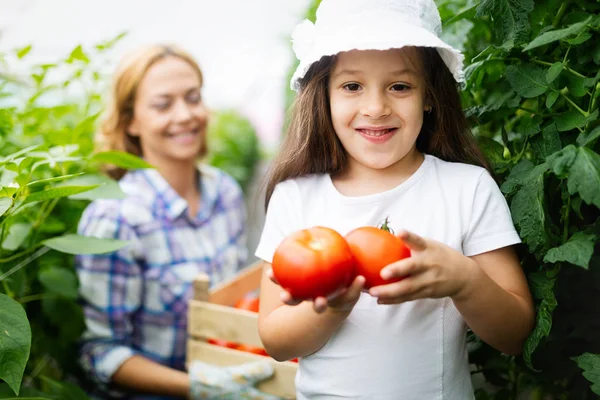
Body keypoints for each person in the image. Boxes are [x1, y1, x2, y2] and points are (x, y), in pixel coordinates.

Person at [255, 0, 536, 399]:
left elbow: (514, 335)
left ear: (429, 96)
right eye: (352, 86)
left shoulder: (466, 188)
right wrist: (332, 308)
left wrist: (465, 281)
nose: (375, 108)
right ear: (326, 96)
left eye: (399, 86)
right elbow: (277, 342)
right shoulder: (296, 198)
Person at [75, 44, 275, 400]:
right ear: (130, 121)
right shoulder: (115, 219)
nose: (184, 115)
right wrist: (195, 388)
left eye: (193, 97)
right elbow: (101, 353)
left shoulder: (224, 193)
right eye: (163, 104)